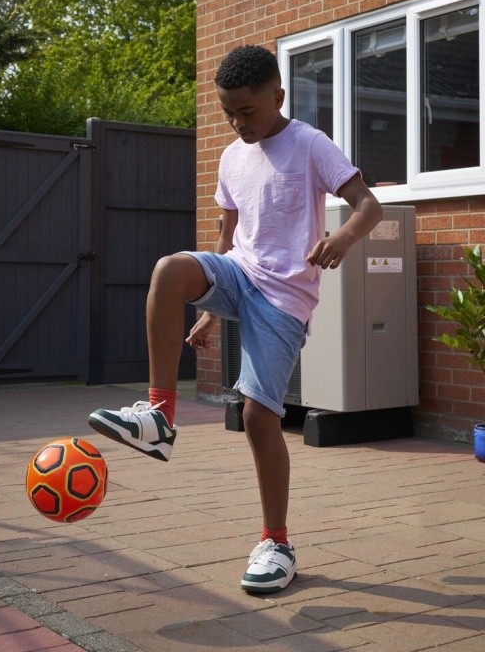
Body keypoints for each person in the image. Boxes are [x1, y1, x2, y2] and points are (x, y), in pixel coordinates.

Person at [88, 44, 383, 594]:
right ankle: (158, 416)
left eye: (247, 111)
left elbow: (369, 204)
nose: (237, 122)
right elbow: (227, 237)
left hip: (283, 299)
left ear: (278, 96)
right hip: (237, 275)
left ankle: (276, 542)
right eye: (228, 111)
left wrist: (341, 237)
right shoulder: (230, 156)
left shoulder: (309, 144)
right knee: (169, 271)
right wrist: (208, 306)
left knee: (256, 418)